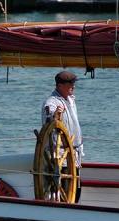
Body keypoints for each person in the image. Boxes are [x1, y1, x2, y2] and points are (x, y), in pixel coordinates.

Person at [41, 70, 84, 201]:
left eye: (73, 83)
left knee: (76, 191)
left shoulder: (70, 99)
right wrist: (55, 115)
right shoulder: (52, 102)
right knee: (65, 191)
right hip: (61, 156)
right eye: (70, 83)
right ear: (59, 86)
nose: (73, 86)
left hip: (73, 154)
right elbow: (49, 117)